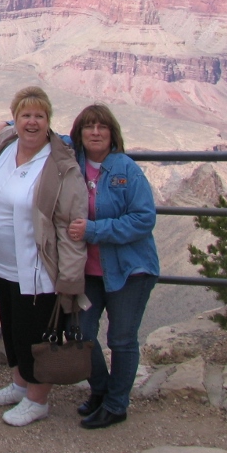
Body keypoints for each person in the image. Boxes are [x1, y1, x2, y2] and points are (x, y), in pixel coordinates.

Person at [0, 86, 87, 427]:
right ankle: (19, 383)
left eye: (39, 116)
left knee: (35, 333)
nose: (32, 122)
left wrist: (70, 276)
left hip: (36, 266)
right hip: (0, 261)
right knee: (11, 326)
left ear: (49, 121)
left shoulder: (59, 164)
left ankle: (37, 399)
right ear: (15, 119)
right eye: (25, 115)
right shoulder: (5, 147)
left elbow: (70, 220)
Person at [67, 104, 159, 429]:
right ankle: (101, 391)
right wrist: (7, 122)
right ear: (79, 132)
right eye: (89, 126)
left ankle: (117, 404)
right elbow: (37, 132)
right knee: (79, 332)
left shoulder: (125, 169)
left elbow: (144, 218)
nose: (95, 132)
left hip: (129, 271)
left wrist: (95, 230)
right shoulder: (71, 164)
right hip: (88, 273)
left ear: (112, 133)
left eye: (102, 127)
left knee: (121, 339)